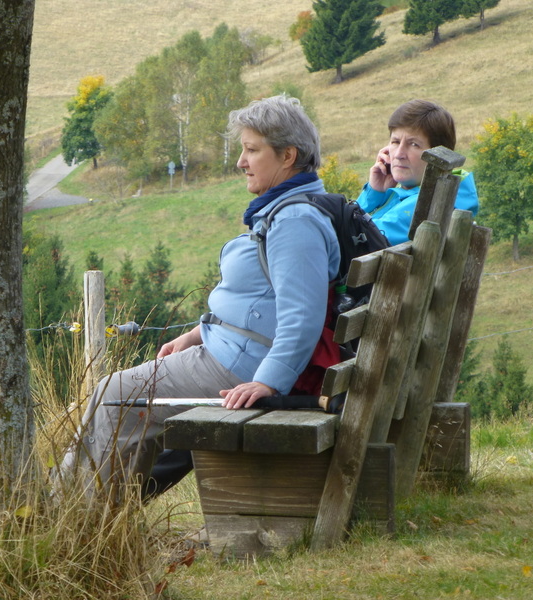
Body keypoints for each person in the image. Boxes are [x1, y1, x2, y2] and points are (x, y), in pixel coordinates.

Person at [59, 95, 341, 499]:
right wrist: (196, 335)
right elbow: (262, 302)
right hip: (235, 353)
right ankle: (90, 510)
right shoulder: (288, 209)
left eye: (251, 150)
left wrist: (268, 381)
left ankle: (74, 515)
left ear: (287, 156)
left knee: (113, 396)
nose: (241, 161)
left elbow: (302, 317)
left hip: (242, 367)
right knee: (120, 397)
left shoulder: (295, 221)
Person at [356, 99, 479, 246]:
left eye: (414, 144)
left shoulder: (430, 203)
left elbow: (354, 238)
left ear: (439, 156)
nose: (398, 154)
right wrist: (375, 192)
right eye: (395, 142)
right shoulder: (420, 194)